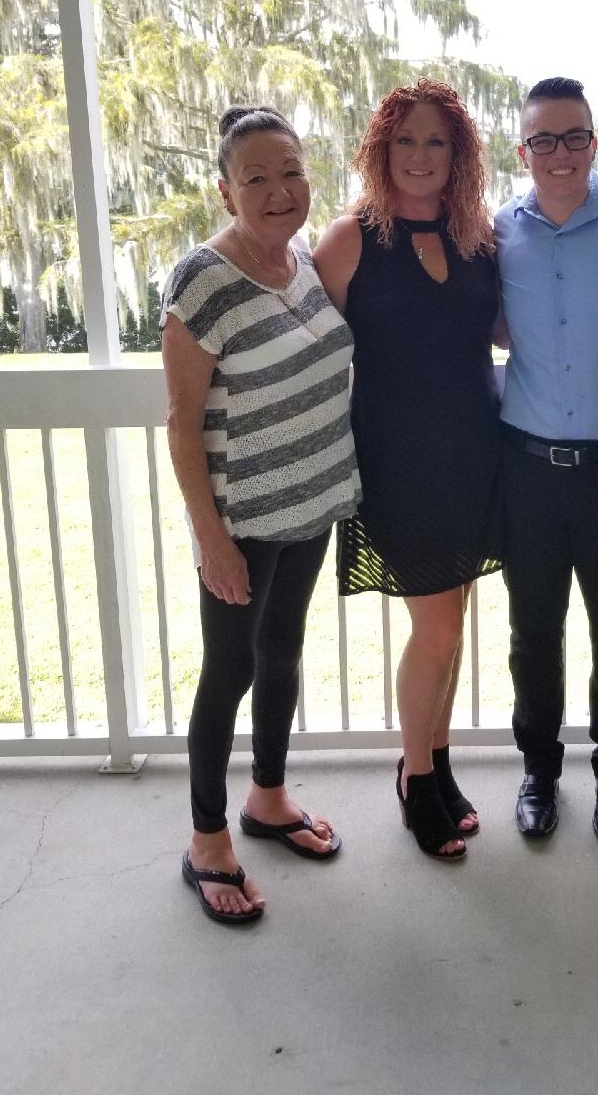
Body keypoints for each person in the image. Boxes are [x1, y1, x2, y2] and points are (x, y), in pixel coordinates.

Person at [161, 105, 360, 926]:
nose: (279, 191)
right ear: (226, 189)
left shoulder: (303, 262)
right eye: (256, 178)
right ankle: (207, 841)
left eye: (291, 172)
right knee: (230, 671)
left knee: (281, 653)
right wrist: (212, 540)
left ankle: (268, 800)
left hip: (311, 500)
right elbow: (180, 421)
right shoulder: (202, 281)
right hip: (243, 516)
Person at [314, 79, 503, 861]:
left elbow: (505, 333)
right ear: (380, 150)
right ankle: (416, 779)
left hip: (474, 454)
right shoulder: (349, 239)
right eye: (405, 141)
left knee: (451, 624)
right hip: (396, 461)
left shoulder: (478, 237)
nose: (420, 156)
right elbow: (307, 350)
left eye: (436, 141)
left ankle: (440, 766)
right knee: (434, 628)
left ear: (457, 154)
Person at [494, 76, 598, 842]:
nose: (560, 154)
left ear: (595, 142)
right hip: (525, 469)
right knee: (533, 634)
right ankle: (538, 773)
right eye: (543, 140)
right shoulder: (498, 231)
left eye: (575, 138)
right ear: (522, 149)